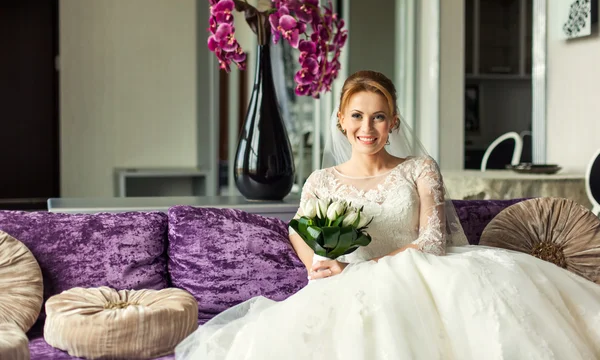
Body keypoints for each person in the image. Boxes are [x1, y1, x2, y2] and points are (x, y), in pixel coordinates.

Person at [176, 71, 600, 359]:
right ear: (341, 120)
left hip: (427, 271)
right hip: (345, 281)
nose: (367, 127)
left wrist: (369, 270)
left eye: (379, 117)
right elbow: (300, 230)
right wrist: (318, 263)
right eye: (357, 116)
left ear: (393, 122)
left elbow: (432, 240)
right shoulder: (321, 180)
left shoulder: (418, 168)